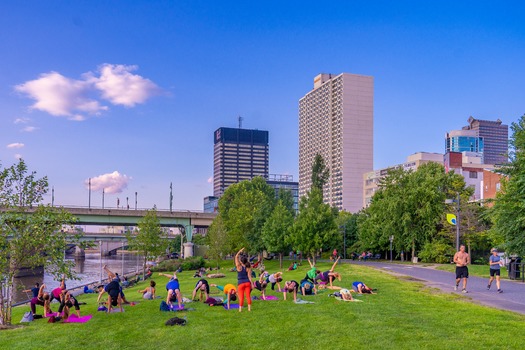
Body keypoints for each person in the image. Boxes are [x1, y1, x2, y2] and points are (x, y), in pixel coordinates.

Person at [235, 247, 253, 312]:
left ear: (240, 261)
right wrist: (252, 284)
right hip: (247, 283)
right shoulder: (248, 267)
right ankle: (249, 309)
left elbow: (236, 256)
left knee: (241, 297)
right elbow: (249, 276)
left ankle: (240, 310)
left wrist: (240, 251)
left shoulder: (238, 266)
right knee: (248, 296)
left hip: (241, 283)